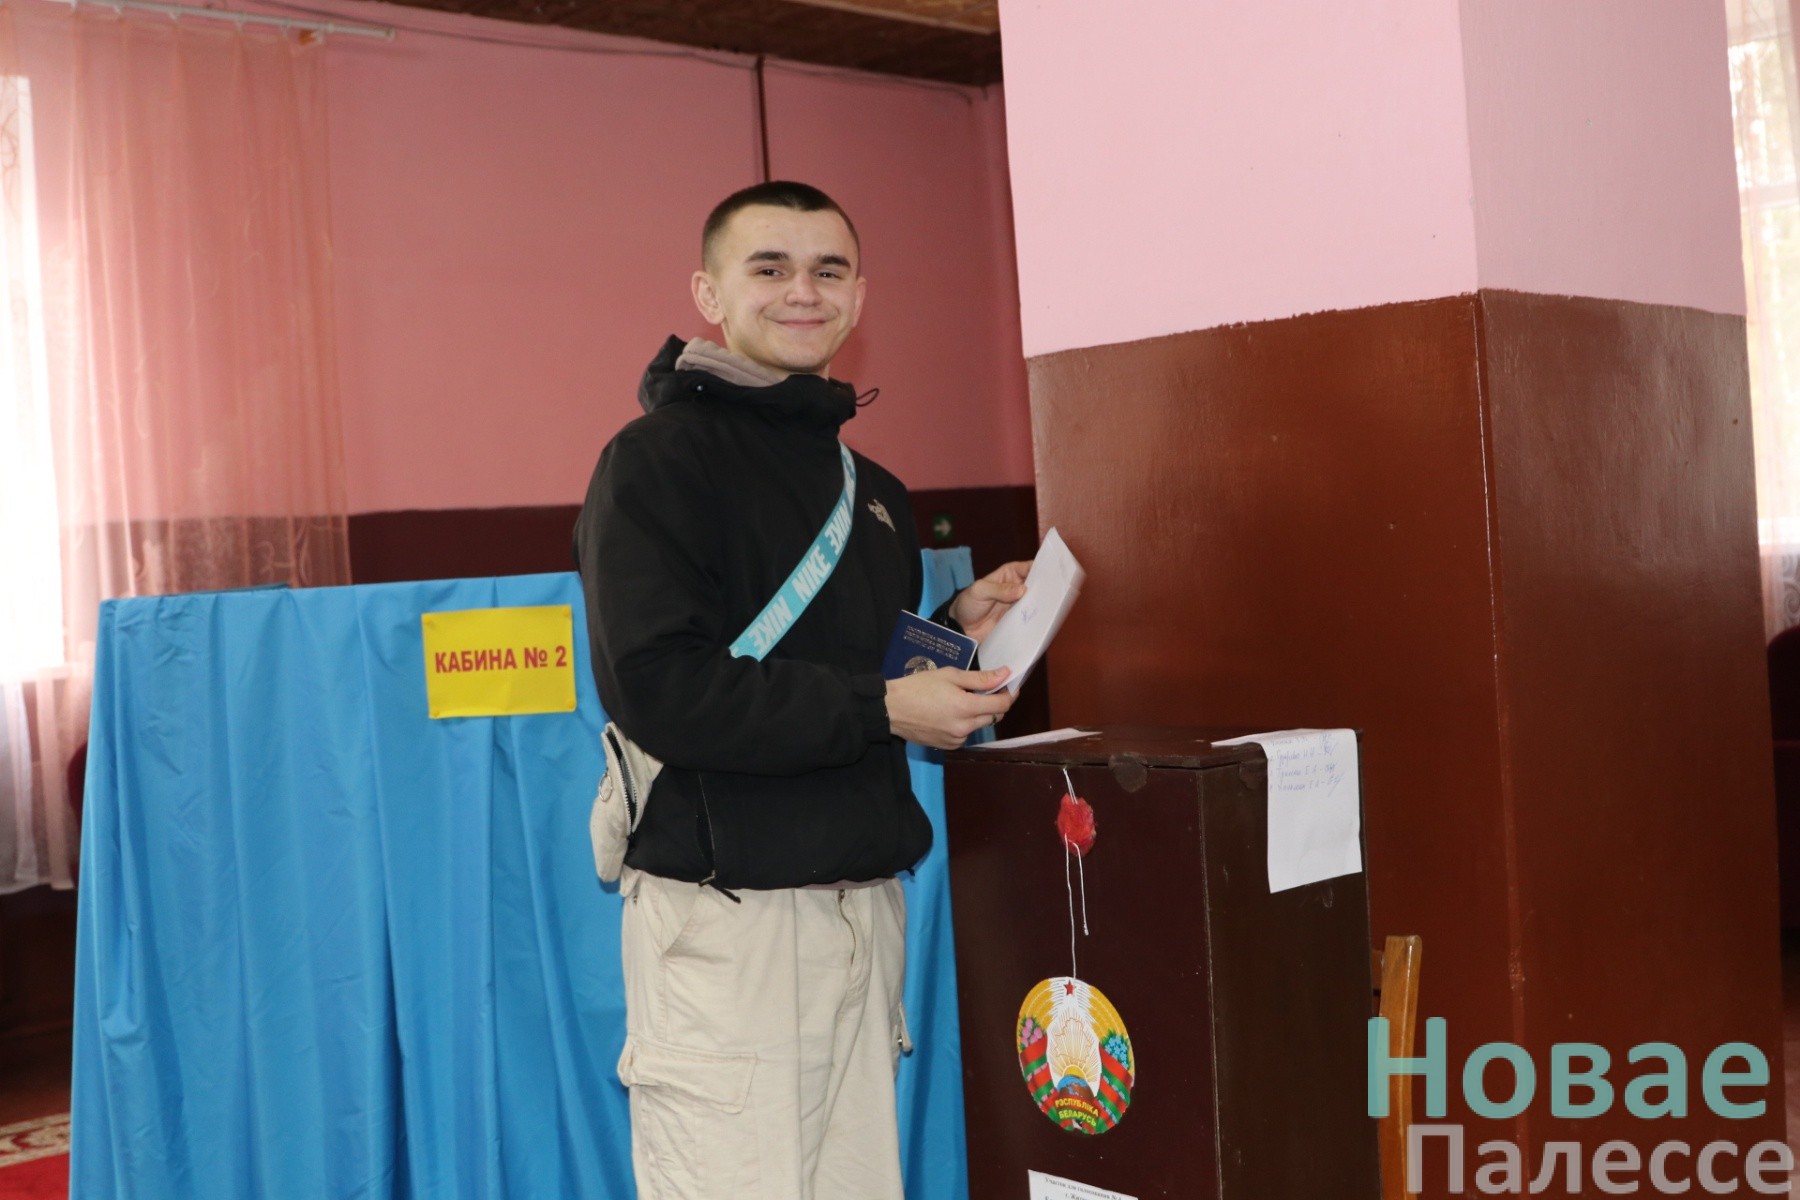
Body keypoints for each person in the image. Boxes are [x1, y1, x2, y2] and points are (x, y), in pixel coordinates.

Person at [572, 179, 1032, 1200]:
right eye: (769, 268)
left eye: (828, 270)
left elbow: (859, 676)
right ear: (710, 292)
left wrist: (957, 631)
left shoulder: (876, 494)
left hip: (865, 911)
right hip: (727, 928)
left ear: (859, 298)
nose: (802, 292)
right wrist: (884, 708)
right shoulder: (654, 464)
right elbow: (662, 690)